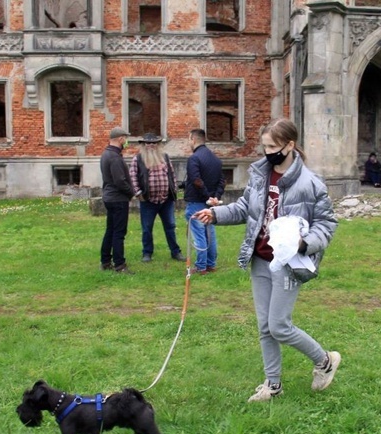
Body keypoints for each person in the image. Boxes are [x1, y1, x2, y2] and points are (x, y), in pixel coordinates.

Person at [193, 118, 341, 402]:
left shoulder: (311, 184)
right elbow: (245, 209)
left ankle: (324, 361)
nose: (267, 152)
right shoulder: (260, 174)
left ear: (289, 145)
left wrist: (303, 243)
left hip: (288, 263)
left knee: (279, 325)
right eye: (264, 146)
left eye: (272, 146)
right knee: (265, 326)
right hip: (260, 259)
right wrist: (216, 214)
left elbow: (326, 225)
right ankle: (273, 385)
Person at [130, 133, 186, 263]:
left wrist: (174, 190)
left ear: (158, 145)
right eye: (148, 143)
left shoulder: (165, 157)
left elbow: (172, 174)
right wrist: (138, 194)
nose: (151, 146)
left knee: (170, 226)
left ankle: (175, 252)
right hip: (148, 200)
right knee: (147, 228)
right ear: (144, 145)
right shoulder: (137, 159)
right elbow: (133, 178)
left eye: (154, 143)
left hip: (166, 200)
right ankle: (147, 253)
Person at [184, 128, 226, 275]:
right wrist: (216, 197)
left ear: (193, 139)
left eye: (189, 139)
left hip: (197, 202)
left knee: (200, 235)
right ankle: (211, 264)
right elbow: (222, 181)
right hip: (209, 203)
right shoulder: (215, 159)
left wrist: (209, 196)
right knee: (210, 233)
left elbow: (196, 180)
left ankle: (201, 266)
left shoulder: (194, 158)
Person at [100, 127, 135, 274]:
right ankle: (119, 265)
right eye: (125, 138)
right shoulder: (114, 157)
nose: (126, 141)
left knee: (111, 230)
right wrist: (132, 192)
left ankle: (106, 261)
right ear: (120, 139)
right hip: (117, 198)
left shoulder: (107, 154)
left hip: (110, 197)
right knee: (119, 232)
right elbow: (120, 181)